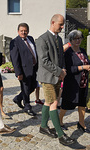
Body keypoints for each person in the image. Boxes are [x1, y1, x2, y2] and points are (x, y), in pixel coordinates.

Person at [36, 14, 75, 145]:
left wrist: (63, 70)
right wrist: (59, 71)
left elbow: (61, 58)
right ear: (53, 22)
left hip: (57, 76)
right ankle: (61, 135)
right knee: (53, 102)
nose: (63, 27)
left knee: (48, 102)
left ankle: (43, 127)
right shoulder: (42, 39)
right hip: (47, 77)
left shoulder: (58, 39)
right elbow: (44, 61)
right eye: (60, 24)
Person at [59, 30, 90, 133]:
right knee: (67, 105)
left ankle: (81, 123)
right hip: (72, 84)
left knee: (82, 104)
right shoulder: (68, 53)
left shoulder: (83, 50)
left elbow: (87, 62)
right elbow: (69, 69)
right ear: (71, 40)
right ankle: (60, 121)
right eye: (75, 38)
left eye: (79, 38)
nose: (78, 40)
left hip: (83, 82)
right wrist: (83, 67)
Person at [10, 23, 38, 116]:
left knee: (33, 86)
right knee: (25, 88)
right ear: (18, 31)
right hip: (24, 70)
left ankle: (18, 98)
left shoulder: (31, 39)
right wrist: (18, 72)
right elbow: (14, 58)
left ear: (28, 31)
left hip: (34, 68)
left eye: (25, 30)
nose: (23, 32)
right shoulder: (15, 42)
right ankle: (27, 106)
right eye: (21, 30)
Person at [57, 42, 71, 109]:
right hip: (63, 69)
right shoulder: (68, 45)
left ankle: (58, 101)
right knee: (61, 87)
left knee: (62, 88)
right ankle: (57, 102)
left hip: (66, 68)